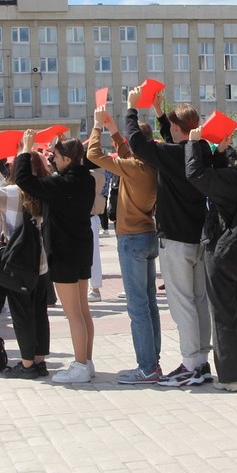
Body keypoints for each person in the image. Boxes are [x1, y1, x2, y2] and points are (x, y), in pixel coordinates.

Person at [126, 88, 211, 387]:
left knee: (182, 303)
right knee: (199, 300)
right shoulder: (201, 150)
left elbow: (136, 142)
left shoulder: (171, 153)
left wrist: (132, 109)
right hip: (199, 236)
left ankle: (189, 364)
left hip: (175, 239)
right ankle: (201, 361)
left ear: (177, 128)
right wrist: (162, 113)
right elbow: (176, 138)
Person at [87, 105, 160, 384]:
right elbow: (129, 151)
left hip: (130, 239)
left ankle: (147, 366)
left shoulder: (132, 168)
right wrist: (115, 131)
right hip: (148, 235)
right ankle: (153, 363)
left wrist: (96, 126)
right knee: (149, 303)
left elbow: (93, 154)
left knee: (137, 307)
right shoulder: (151, 164)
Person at [15, 130, 95, 384]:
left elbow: (23, 179)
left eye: (57, 156)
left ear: (69, 160)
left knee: (73, 313)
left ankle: (80, 365)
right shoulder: (86, 179)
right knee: (83, 310)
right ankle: (86, 361)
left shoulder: (61, 184)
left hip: (63, 251)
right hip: (81, 248)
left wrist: (26, 150)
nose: (53, 160)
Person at [185, 128, 237, 392]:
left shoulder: (231, 177)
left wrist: (193, 144)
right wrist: (218, 153)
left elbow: (196, 175)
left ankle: (230, 378)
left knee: (222, 314)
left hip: (220, 249)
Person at [0, 146, 51, 379]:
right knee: (39, 312)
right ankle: (39, 360)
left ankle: (27, 365)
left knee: (21, 313)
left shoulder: (14, 192)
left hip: (18, 263)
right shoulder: (47, 187)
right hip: (42, 261)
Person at [87, 166, 107, 302]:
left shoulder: (91, 175)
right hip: (93, 215)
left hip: (89, 215)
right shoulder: (99, 173)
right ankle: (94, 288)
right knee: (93, 255)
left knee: (92, 256)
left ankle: (94, 288)